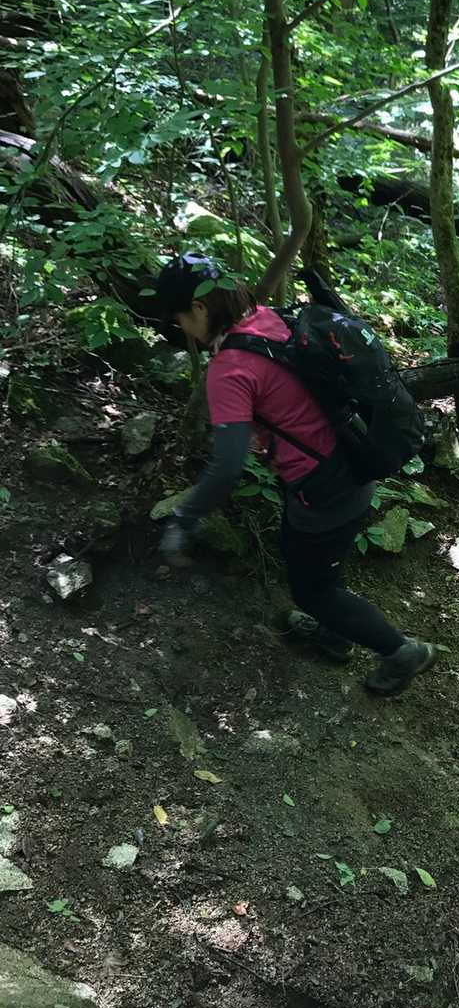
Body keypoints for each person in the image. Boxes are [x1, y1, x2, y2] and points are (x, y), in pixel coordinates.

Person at [152, 254, 437, 697]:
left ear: (200, 307)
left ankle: (402, 653)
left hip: (324, 490)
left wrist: (183, 518)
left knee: (312, 591)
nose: (183, 329)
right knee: (304, 555)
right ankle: (337, 632)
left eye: (180, 318)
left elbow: (226, 466)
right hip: (353, 456)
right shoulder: (270, 320)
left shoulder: (230, 369)